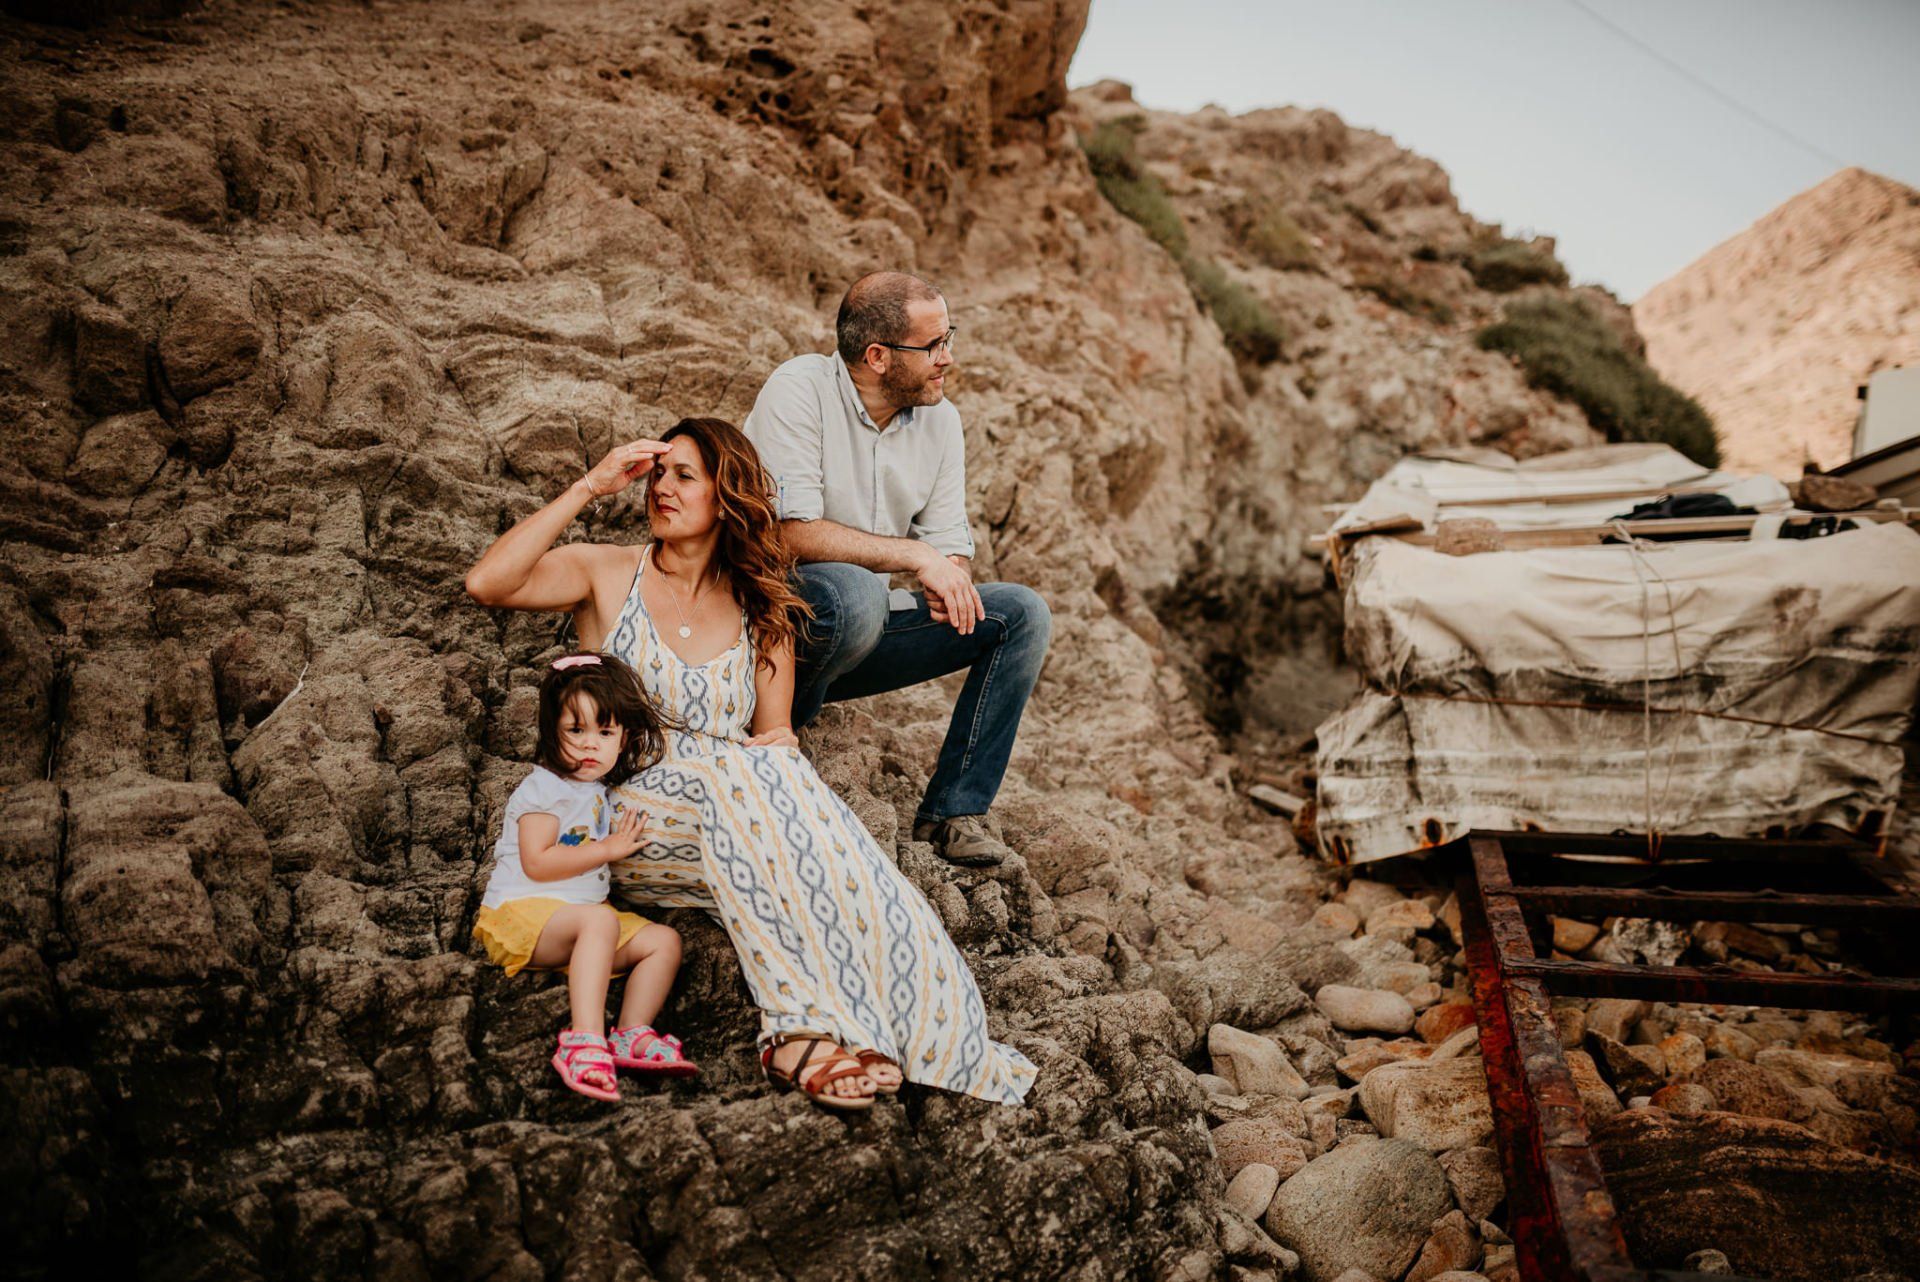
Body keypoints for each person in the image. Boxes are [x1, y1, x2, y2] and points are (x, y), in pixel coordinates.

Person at [464, 417, 1036, 1112]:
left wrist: (781, 755)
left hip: (737, 812)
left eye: (685, 476)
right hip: (631, 819)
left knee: (820, 832)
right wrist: (590, 485)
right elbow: (488, 582)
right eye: (658, 474)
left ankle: (910, 1028)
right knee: (757, 782)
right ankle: (794, 1033)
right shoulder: (606, 572)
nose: (662, 488)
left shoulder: (762, 605)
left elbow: (774, 734)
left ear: (725, 496)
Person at [742, 271, 1051, 869]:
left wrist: (950, 576)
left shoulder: (941, 422)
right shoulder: (798, 389)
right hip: (772, 628)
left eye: (948, 339)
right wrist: (915, 557)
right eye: (933, 345)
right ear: (878, 356)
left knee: (1020, 614)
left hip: (862, 634)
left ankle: (955, 812)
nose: (948, 358)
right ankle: (773, 723)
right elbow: (788, 533)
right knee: (857, 594)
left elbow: (948, 543)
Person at [472, 652, 698, 1103]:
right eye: (576, 730)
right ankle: (585, 1039)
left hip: (577, 925)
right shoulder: (544, 789)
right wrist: (607, 849)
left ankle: (631, 1032)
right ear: (551, 731)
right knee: (600, 920)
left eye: (605, 732)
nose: (590, 745)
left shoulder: (596, 790)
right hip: (520, 917)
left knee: (663, 942)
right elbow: (537, 862)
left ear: (623, 738)